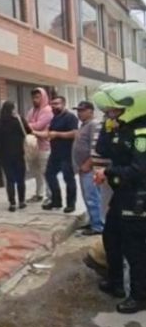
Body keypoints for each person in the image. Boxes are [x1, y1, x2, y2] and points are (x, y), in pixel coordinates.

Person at [92, 82, 146, 314]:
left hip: (137, 197)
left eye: (114, 110)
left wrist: (108, 172)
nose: (110, 114)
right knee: (111, 236)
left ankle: (139, 296)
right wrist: (107, 125)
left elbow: (139, 170)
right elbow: (103, 149)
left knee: (134, 248)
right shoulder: (122, 128)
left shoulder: (141, 133)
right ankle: (116, 284)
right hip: (121, 194)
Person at [37, 96, 79, 213]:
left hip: (67, 153)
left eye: (56, 104)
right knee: (49, 174)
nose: (54, 106)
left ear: (63, 104)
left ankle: (71, 204)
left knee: (68, 178)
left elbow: (75, 133)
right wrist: (36, 133)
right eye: (52, 104)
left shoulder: (70, 117)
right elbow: (50, 133)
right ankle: (56, 201)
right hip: (55, 153)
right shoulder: (54, 118)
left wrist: (57, 134)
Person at [73, 101, 104, 235]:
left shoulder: (94, 124)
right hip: (83, 168)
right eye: (78, 110)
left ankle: (97, 226)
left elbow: (97, 148)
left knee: (92, 197)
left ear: (91, 111)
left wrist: (88, 164)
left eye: (82, 110)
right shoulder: (84, 125)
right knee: (88, 197)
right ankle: (93, 221)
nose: (79, 113)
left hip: (90, 168)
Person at [0, 101, 30, 212]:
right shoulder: (18, 120)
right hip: (18, 154)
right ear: (13, 109)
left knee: (9, 180)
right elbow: (28, 131)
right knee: (20, 179)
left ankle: (12, 203)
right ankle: (22, 201)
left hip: (4, 156)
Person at [26, 88, 54, 203]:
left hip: (44, 147)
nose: (35, 100)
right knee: (36, 172)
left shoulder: (47, 110)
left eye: (37, 97)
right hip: (32, 148)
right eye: (33, 97)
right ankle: (39, 194)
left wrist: (29, 125)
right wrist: (30, 125)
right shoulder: (32, 110)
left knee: (46, 172)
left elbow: (37, 126)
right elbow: (26, 124)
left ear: (43, 97)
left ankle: (50, 196)